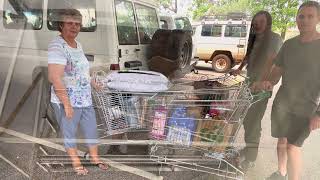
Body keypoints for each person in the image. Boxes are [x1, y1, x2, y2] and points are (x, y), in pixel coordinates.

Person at [260, 1, 320, 180]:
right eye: (301, 16)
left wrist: (319, 113)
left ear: (318, 18)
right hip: (282, 104)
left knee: (293, 147)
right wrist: (269, 82)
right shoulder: (289, 44)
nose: (305, 20)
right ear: (296, 19)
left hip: (305, 108)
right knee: (281, 142)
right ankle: (281, 173)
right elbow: (277, 71)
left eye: (310, 16)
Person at [48, 9, 108, 175]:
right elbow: (55, 77)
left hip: (84, 98)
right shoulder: (57, 46)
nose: (74, 27)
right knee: (70, 133)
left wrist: (92, 83)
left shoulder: (77, 44)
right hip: (66, 100)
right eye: (70, 23)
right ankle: (75, 163)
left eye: (77, 24)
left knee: (91, 129)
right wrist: (66, 104)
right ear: (61, 25)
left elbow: (81, 71)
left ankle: (94, 158)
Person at [233, 11, 283, 171]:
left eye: (261, 21)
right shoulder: (255, 38)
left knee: (253, 123)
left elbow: (272, 61)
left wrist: (261, 82)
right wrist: (239, 69)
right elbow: (249, 55)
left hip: (261, 88)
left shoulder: (274, 39)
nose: (257, 24)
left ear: (268, 23)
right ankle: (249, 149)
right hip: (249, 85)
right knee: (247, 119)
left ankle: (251, 158)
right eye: (255, 21)